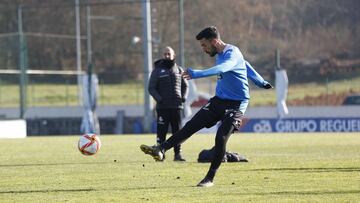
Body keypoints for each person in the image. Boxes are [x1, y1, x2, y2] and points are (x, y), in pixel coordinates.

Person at [140, 26, 273, 187]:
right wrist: (261, 81)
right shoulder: (222, 53)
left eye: (204, 45)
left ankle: (209, 178)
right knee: (191, 126)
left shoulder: (232, 54)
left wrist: (198, 73)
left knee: (221, 137)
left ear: (215, 41)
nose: (203, 49)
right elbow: (245, 64)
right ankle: (161, 149)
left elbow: (223, 68)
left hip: (237, 104)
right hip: (219, 100)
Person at [148, 46, 188, 161]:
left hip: (176, 107)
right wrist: (160, 99)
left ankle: (178, 154)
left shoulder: (179, 70)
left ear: (173, 55)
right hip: (162, 107)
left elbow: (185, 85)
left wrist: (183, 97)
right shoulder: (157, 71)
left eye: (169, 54)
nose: (167, 56)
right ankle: (160, 155)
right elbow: (151, 88)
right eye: (165, 54)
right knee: (161, 132)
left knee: (178, 132)